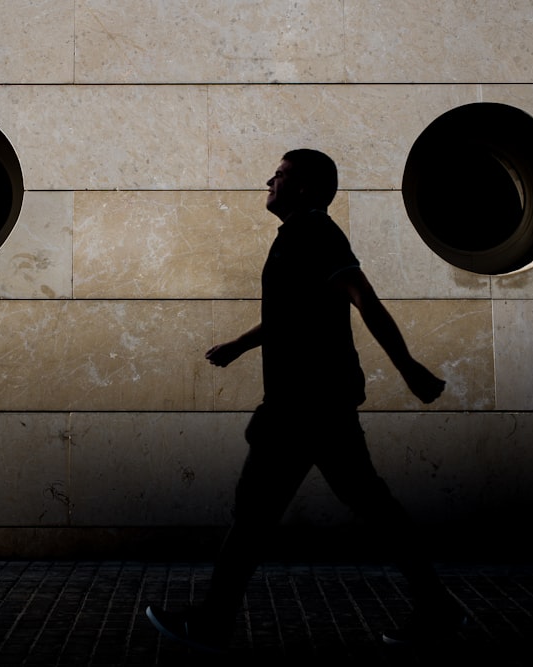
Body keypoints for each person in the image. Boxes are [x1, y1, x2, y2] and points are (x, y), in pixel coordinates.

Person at [145, 149, 464, 653]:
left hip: (305, 405)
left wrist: (408, 367)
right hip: (314, 403)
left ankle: (210, 624)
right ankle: (438, 606)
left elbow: (362, 297)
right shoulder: (298, 235)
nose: (269, 179)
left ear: (306, 188)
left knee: (255, 514)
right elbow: (294, 315)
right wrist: (238, 346)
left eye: (282, 174)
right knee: (369, 507)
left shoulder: (314, 231)